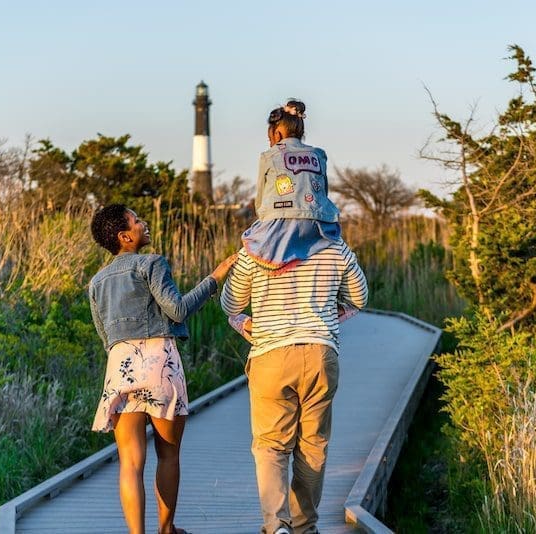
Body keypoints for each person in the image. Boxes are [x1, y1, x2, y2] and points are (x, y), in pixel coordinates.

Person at [221, 113, 369, 534]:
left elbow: (231, 301)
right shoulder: (332, 244)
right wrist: (337, 313)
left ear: (272, 141)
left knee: (270, 446)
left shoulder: (255, 249)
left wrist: (240, 322)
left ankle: (277, 526)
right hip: (321, 353)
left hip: (270, 355)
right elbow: (360, 296)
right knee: (313, 447)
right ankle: (305, 526)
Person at [88, 204, 236, 534]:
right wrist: (214, 278)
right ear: (126, 236)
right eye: (137, 220)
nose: (144, 223)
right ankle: (166, 530)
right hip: (159, 365)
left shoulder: (96, 282)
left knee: (130, 462)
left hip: (121, 368)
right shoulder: (152, 263)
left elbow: (105, 337)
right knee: (168, 456)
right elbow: (178, 310)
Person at [227, 100, 357, 344]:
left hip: (277, 220)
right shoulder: (319, 155)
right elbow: (323, 193)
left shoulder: (269, 155)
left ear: (276, 133)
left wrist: (265, 221)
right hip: (319, 222)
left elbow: (261, 199)